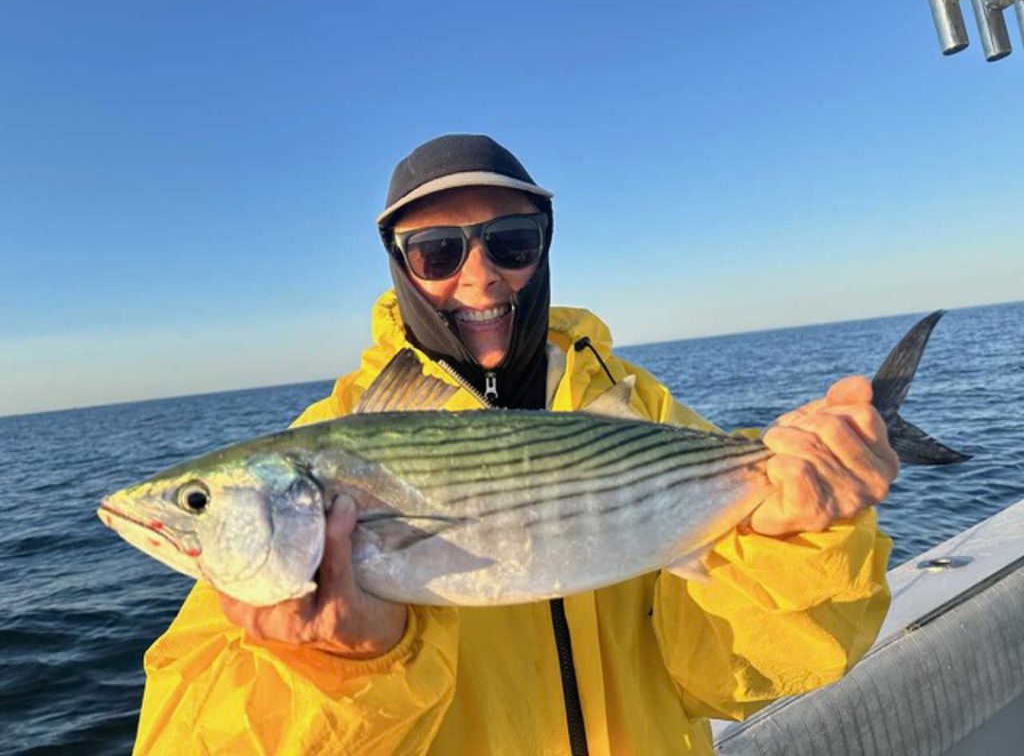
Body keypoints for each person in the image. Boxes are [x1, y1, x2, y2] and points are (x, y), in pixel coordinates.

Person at [133, 134, 897, 755]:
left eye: (511, 242)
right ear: (398, 265)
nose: (482, 279)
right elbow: (183, 737)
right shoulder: (317, 444)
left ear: (544, 248)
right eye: (438, 252)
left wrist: (795, 539)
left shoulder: (632, 401)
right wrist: (331, 670)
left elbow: (731, 678)